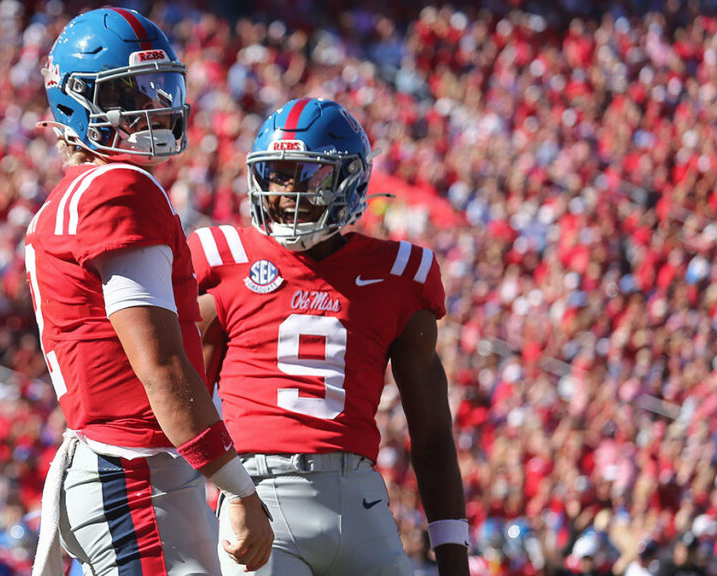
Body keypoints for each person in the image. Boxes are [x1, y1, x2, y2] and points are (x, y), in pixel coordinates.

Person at [26, 8, 272, 576]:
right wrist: (238, 489)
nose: (151, 105)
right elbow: (159, 367)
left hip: (114, 469)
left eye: (157, 87)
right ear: (75, 100)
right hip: (133, 475)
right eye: (128, 92)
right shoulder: (121, 187)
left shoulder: (64, 201)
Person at [188, 97, 470, 576]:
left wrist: (453, 559)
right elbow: (185, 400)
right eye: (277, 174)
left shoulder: (399, 274)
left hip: (360, 501)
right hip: (259, 495)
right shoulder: (223, 258)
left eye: (307, 175)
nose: (287, 192)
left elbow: (432, 435)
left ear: (351, 180)